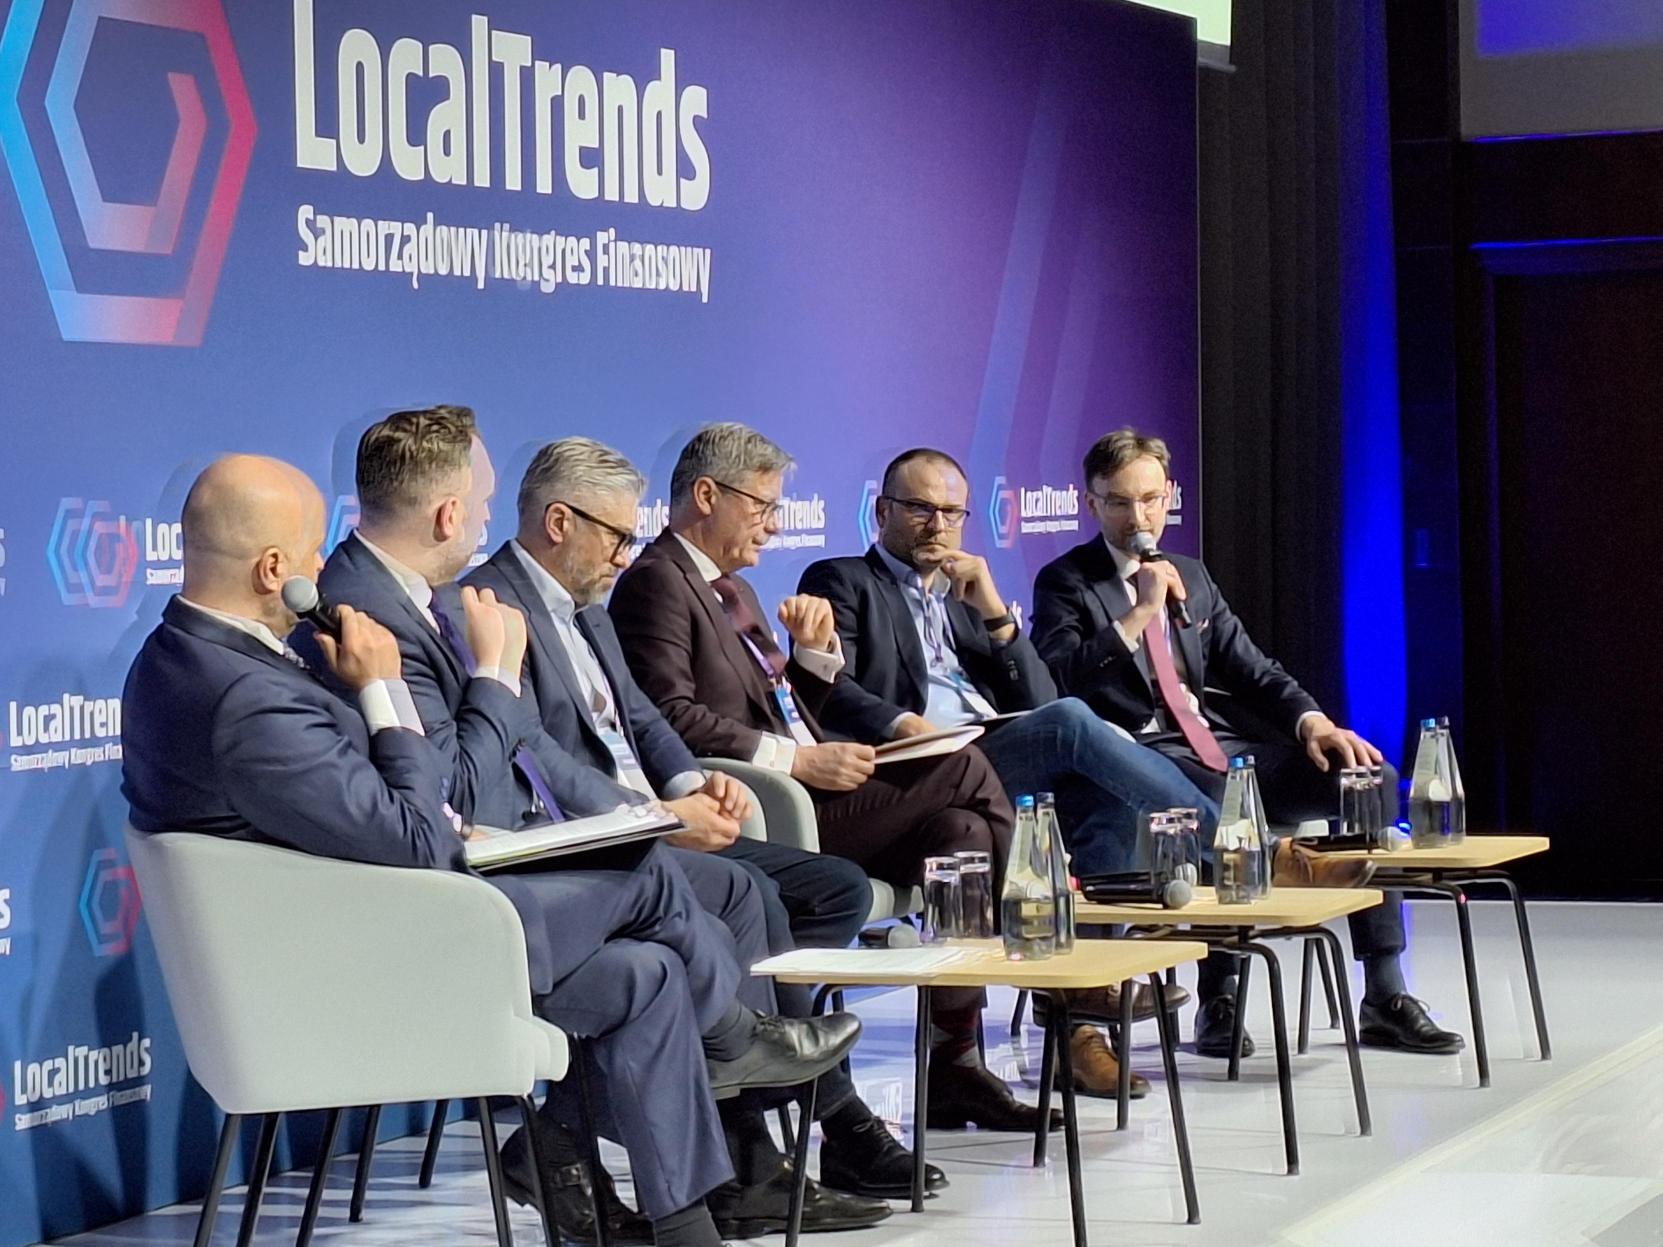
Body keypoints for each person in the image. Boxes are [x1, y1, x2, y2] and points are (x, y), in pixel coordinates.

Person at [120, 455, 859, 1247]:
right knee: (645, 874)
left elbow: (392, 819)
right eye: (310, 554)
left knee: (645, 972)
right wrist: (381, 690)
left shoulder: (192, 657)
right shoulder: (247, 696)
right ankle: (734, 1036)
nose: (321, 569)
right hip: (368, 962)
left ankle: (683, 1229)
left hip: (390, 919)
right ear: (274, 570)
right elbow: (417, 837)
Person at [312, 409, 886, 1237]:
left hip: (509, 859)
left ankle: (666, 1178)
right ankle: (735, 1060)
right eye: (481, 504)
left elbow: (561, 736)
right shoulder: (376, 611)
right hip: (462, 893)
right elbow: (457, 786)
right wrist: (498, 676)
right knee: (671, 896)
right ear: (447, 513)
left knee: (677, 942)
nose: (484, 521)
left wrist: (659, 803)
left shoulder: (420, 600)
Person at [466, 435, 945, 1203]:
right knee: (749, 899)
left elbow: (644, 718)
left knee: (818, 889)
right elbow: (531, 760)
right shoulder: (491, 606)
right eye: (615, 535)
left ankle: (768, 1130)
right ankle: (774, 1140)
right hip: (583, 845)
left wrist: (696, 783)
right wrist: (655, 815)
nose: (625, 553)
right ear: (559, 522)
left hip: (652, 821)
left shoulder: (586, 605)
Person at [610, 422, 1057, 1134]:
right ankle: (1048, 939)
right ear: (707, 496)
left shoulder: (734, 590)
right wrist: (795, 761)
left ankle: (955, 1065)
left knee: (961, 832)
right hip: (774, 809)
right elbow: (670, 716)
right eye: (761, 506)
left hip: (818, 790)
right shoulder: (657, 582)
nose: (773, 524)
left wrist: (814, 659)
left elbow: (787, 709)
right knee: (962, 764)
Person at [800, 445, 1225, 1095]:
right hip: (910, 769)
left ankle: (1080, 1034)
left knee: (1098, 784)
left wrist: (997, 614)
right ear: (881, 511)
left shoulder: (961, 595)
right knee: (1075, 724)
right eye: (919, 509)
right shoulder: (841, 580)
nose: (937, 525)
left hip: (983, 756)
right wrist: (901, 722)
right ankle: (1228, 844)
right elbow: (828, 689)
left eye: (951, 513)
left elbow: (1039, 694)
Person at [1031, 428, 1466, 1056]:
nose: (1138, 518)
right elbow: (1058, 682)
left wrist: (1313, 722)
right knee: (1225, 800)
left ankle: (1385, 993)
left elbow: (1251, 668)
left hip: (1215, 745)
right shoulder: (1066, 581)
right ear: (1092, 503)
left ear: (1169, 496)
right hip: (1137, 758)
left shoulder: (1191, 575)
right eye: (1120, 503)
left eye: (1149, 500)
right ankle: (1221, 998)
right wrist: (1138, 614)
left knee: (1366, 779)